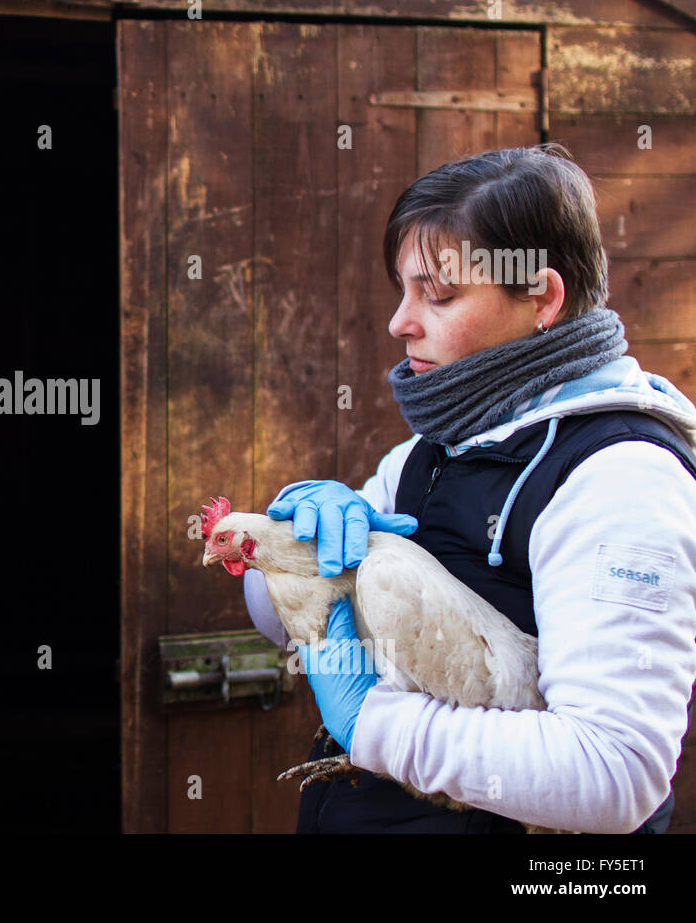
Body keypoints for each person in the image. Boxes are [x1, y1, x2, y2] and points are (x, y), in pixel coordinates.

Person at [255, 145, 696, 833]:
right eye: (401, 291)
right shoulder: (428, 454)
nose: (401, 321)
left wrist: (371, 722)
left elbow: (614, 772)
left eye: (438, 295)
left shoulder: (618, 476)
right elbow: (278, 616)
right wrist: (281, 544)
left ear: (542, 299)